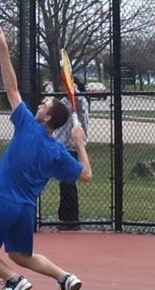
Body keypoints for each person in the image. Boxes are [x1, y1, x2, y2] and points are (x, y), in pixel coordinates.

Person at [0, 27, 92, 290]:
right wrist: (79, 142)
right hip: (26, 210)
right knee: (20, 254)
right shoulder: (58, 152)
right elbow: (86, 175)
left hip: (6, 202)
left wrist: (3, 49)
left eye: (44, 104)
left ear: (46, 118)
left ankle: (13, 280)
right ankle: (66, 278)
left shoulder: (27, 126)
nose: (39, 105)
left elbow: (11, 87)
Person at [52, 81, 90, 231]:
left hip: (73, 148)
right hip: (61, 146)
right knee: (64, 183)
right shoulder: (62, 103)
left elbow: (80, 106)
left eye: (65, 85)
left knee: (68, 182)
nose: (62, 87)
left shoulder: (81, 102)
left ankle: (72, 219)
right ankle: (64, 217)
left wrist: (75, 93)